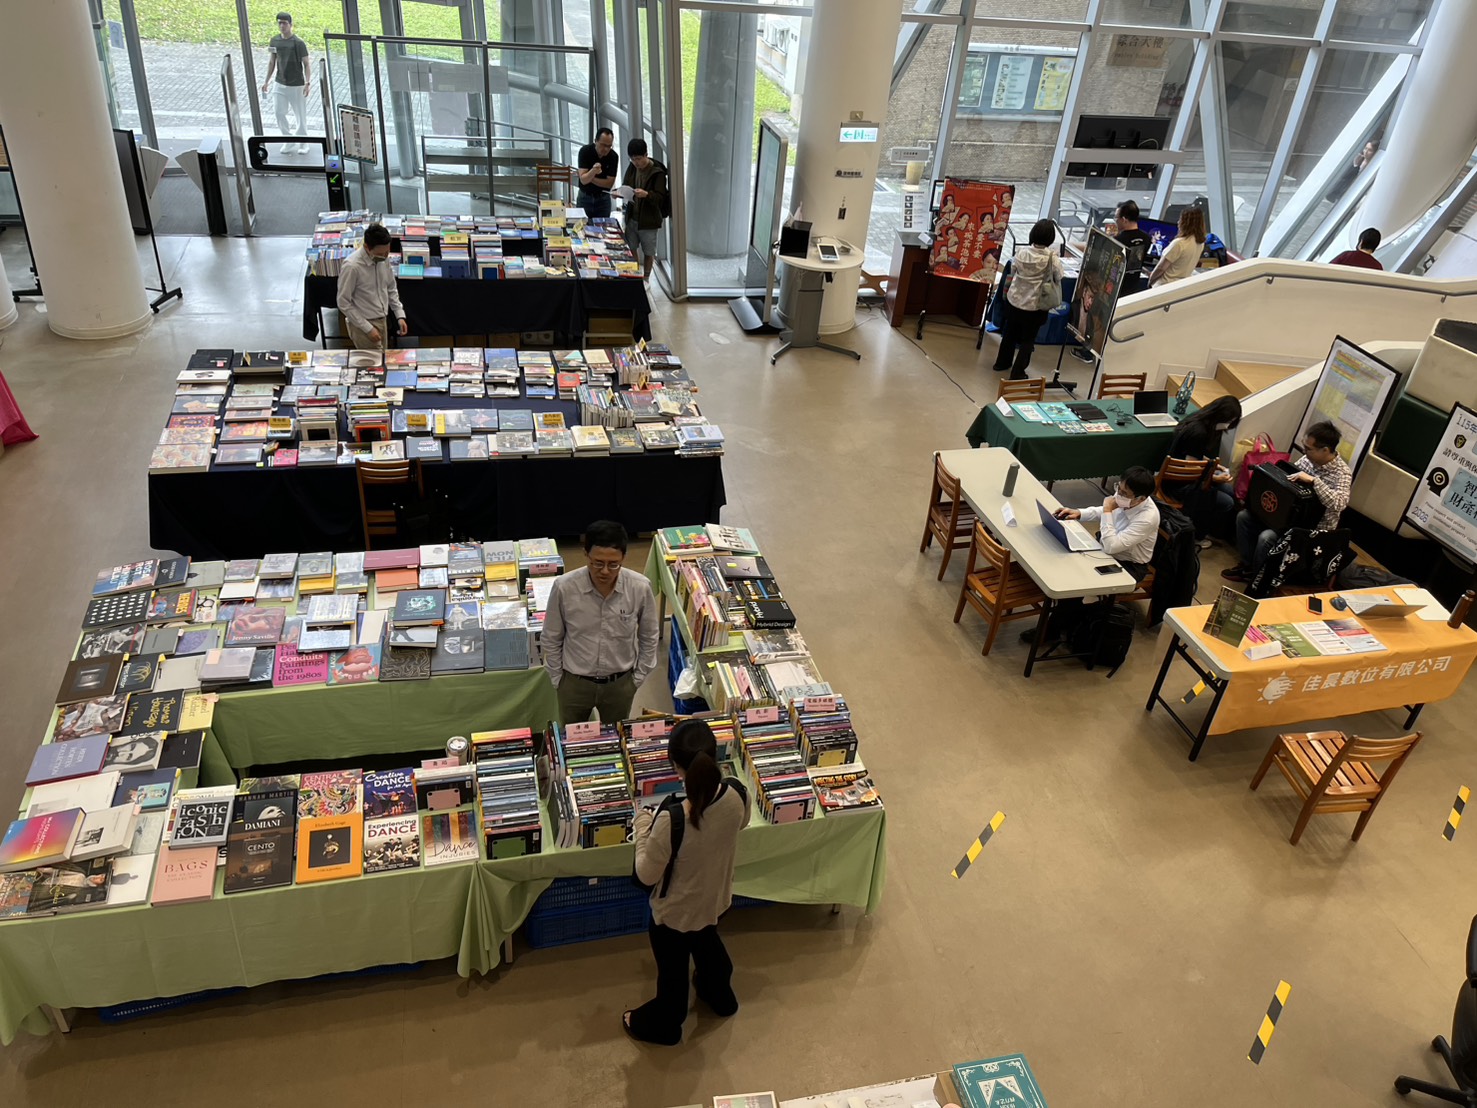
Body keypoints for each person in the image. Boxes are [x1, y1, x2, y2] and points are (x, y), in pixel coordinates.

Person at [625, 719, 751, 1045]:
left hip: (675, 914)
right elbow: (741, 824)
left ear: (675, 766)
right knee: (707, 944)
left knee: (673, 974)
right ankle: (720, 996)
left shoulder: (672, 818)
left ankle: (666, 1025)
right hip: (717, 899)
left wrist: (642, 826)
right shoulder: (737, 793)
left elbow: (646, 874)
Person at [541, 519, 659, 724]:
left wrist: (637, 679)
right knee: (572, 738)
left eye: (613, 564)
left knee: (616, 738)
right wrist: (558, 679)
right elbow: (551, 636)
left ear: (624, 558)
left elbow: (649, 636)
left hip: (620, 685)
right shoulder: (564, 587)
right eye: (597, 563)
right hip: (574, 684)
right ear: (586, 554)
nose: (605, 571)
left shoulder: (640, 587)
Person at [1223, 420, 1351, 583]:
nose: (1304, 451)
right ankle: (1248, 566)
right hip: (1288, 517)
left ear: (1325, 450)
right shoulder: (1307, 459)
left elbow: (1340, 503)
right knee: (1244, 517)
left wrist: (1315, 481)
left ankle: (1259, 578)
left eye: (1309, 449)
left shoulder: (1342, 473)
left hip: (1311, 530)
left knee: (1267, 537)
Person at [1056, 466, 1161, 580]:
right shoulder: (1125, 496)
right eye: (1118, 488)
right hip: (1106, 545)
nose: (1118, 494)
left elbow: (1111, 546)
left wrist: (1107, 511)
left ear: (1141, 499)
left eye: (1124, 493)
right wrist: (1079, 513)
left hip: (1128, 565)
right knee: (1069, 561)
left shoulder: (1147, 519)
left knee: (1084, 579)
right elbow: (1109, 509)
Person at [1163, 395, 1241, 547]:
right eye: (1229, 421)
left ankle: (1209, 531)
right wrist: (1214, 478)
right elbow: (1190, 469)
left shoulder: (1197, 418)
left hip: (1181, 475)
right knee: (1227, 502)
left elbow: (1193, 456)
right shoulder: (1199, 433)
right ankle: (1198, 534)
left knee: (1229, 491)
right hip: (1179, 484)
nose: (1228, 425)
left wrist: (1213, 465)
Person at [992, 219, 1063, 379]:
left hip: (1015, 300)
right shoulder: (1051, 258)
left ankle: (1001, 363)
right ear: (1050, 238)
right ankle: (1017, 372)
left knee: (1009, 333)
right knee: (1028, 340)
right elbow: (1059, 276)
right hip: (1035, 305)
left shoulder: (1022, 252)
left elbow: (1013, 270)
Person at [336, 224, 406, 352]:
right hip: (363, 324)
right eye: (380, 253)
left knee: (382, 358)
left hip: (382, 319)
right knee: (372, 362)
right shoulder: (352, 267)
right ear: (367, 247)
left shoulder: (383, 259)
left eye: (387, 252)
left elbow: (390, 287)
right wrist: (368, 328)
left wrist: (399, 314)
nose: (385, 256)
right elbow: (343, 302)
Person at [261, 12, 312, 154]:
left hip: (297, 84)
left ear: (290, 24)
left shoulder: (298, 43)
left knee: (300, 114)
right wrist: (266, 81)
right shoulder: (274, 41)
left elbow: (307, 63)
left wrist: (307, 82)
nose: (282, 26)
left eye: (284, 23)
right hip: (280, 82)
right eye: (280, 23)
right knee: (279, 112)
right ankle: (289, 139)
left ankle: (303, 143)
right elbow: (272, 61)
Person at [621, 139, 669, 279]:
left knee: (649, 252)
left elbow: (660, 197)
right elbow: (626, 185)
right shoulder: (632, 167)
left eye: (638, 159)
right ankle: (635, 276)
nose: (636, 162)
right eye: (633, 159)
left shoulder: (657, 173)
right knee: (631, 248)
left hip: (649, 220)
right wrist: (619, 192)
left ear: (646, 155)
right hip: (632, 217)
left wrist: (646, 194)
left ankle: (646, 278)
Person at [1149, 207, 1206, 288]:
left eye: (1180, 219)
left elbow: (1160, 268)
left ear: (1185, 223)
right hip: (1180, 286)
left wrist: (1150, 281)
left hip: (1164, 285)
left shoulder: (1179, 243)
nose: (1178, 222)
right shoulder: (1200, 243)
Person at [576, 127, 619, 219]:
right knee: (582, 225)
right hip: (585, 197)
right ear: (596, 141)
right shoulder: (585, 151)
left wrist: (590, 176)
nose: (606, 149)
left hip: (603, 199)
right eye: (603, 145)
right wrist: (593, 171)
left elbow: (609, 184)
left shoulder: (613, 156)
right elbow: (583, 181)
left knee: (604, 226)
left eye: (609, 146)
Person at [1114, 200, 1152, 294]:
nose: (1115, 221)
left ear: (1124, 219)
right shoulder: (1147, 238)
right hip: (1134, 286)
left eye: (1116, 218)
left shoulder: (1118, 241)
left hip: (1117, 286)